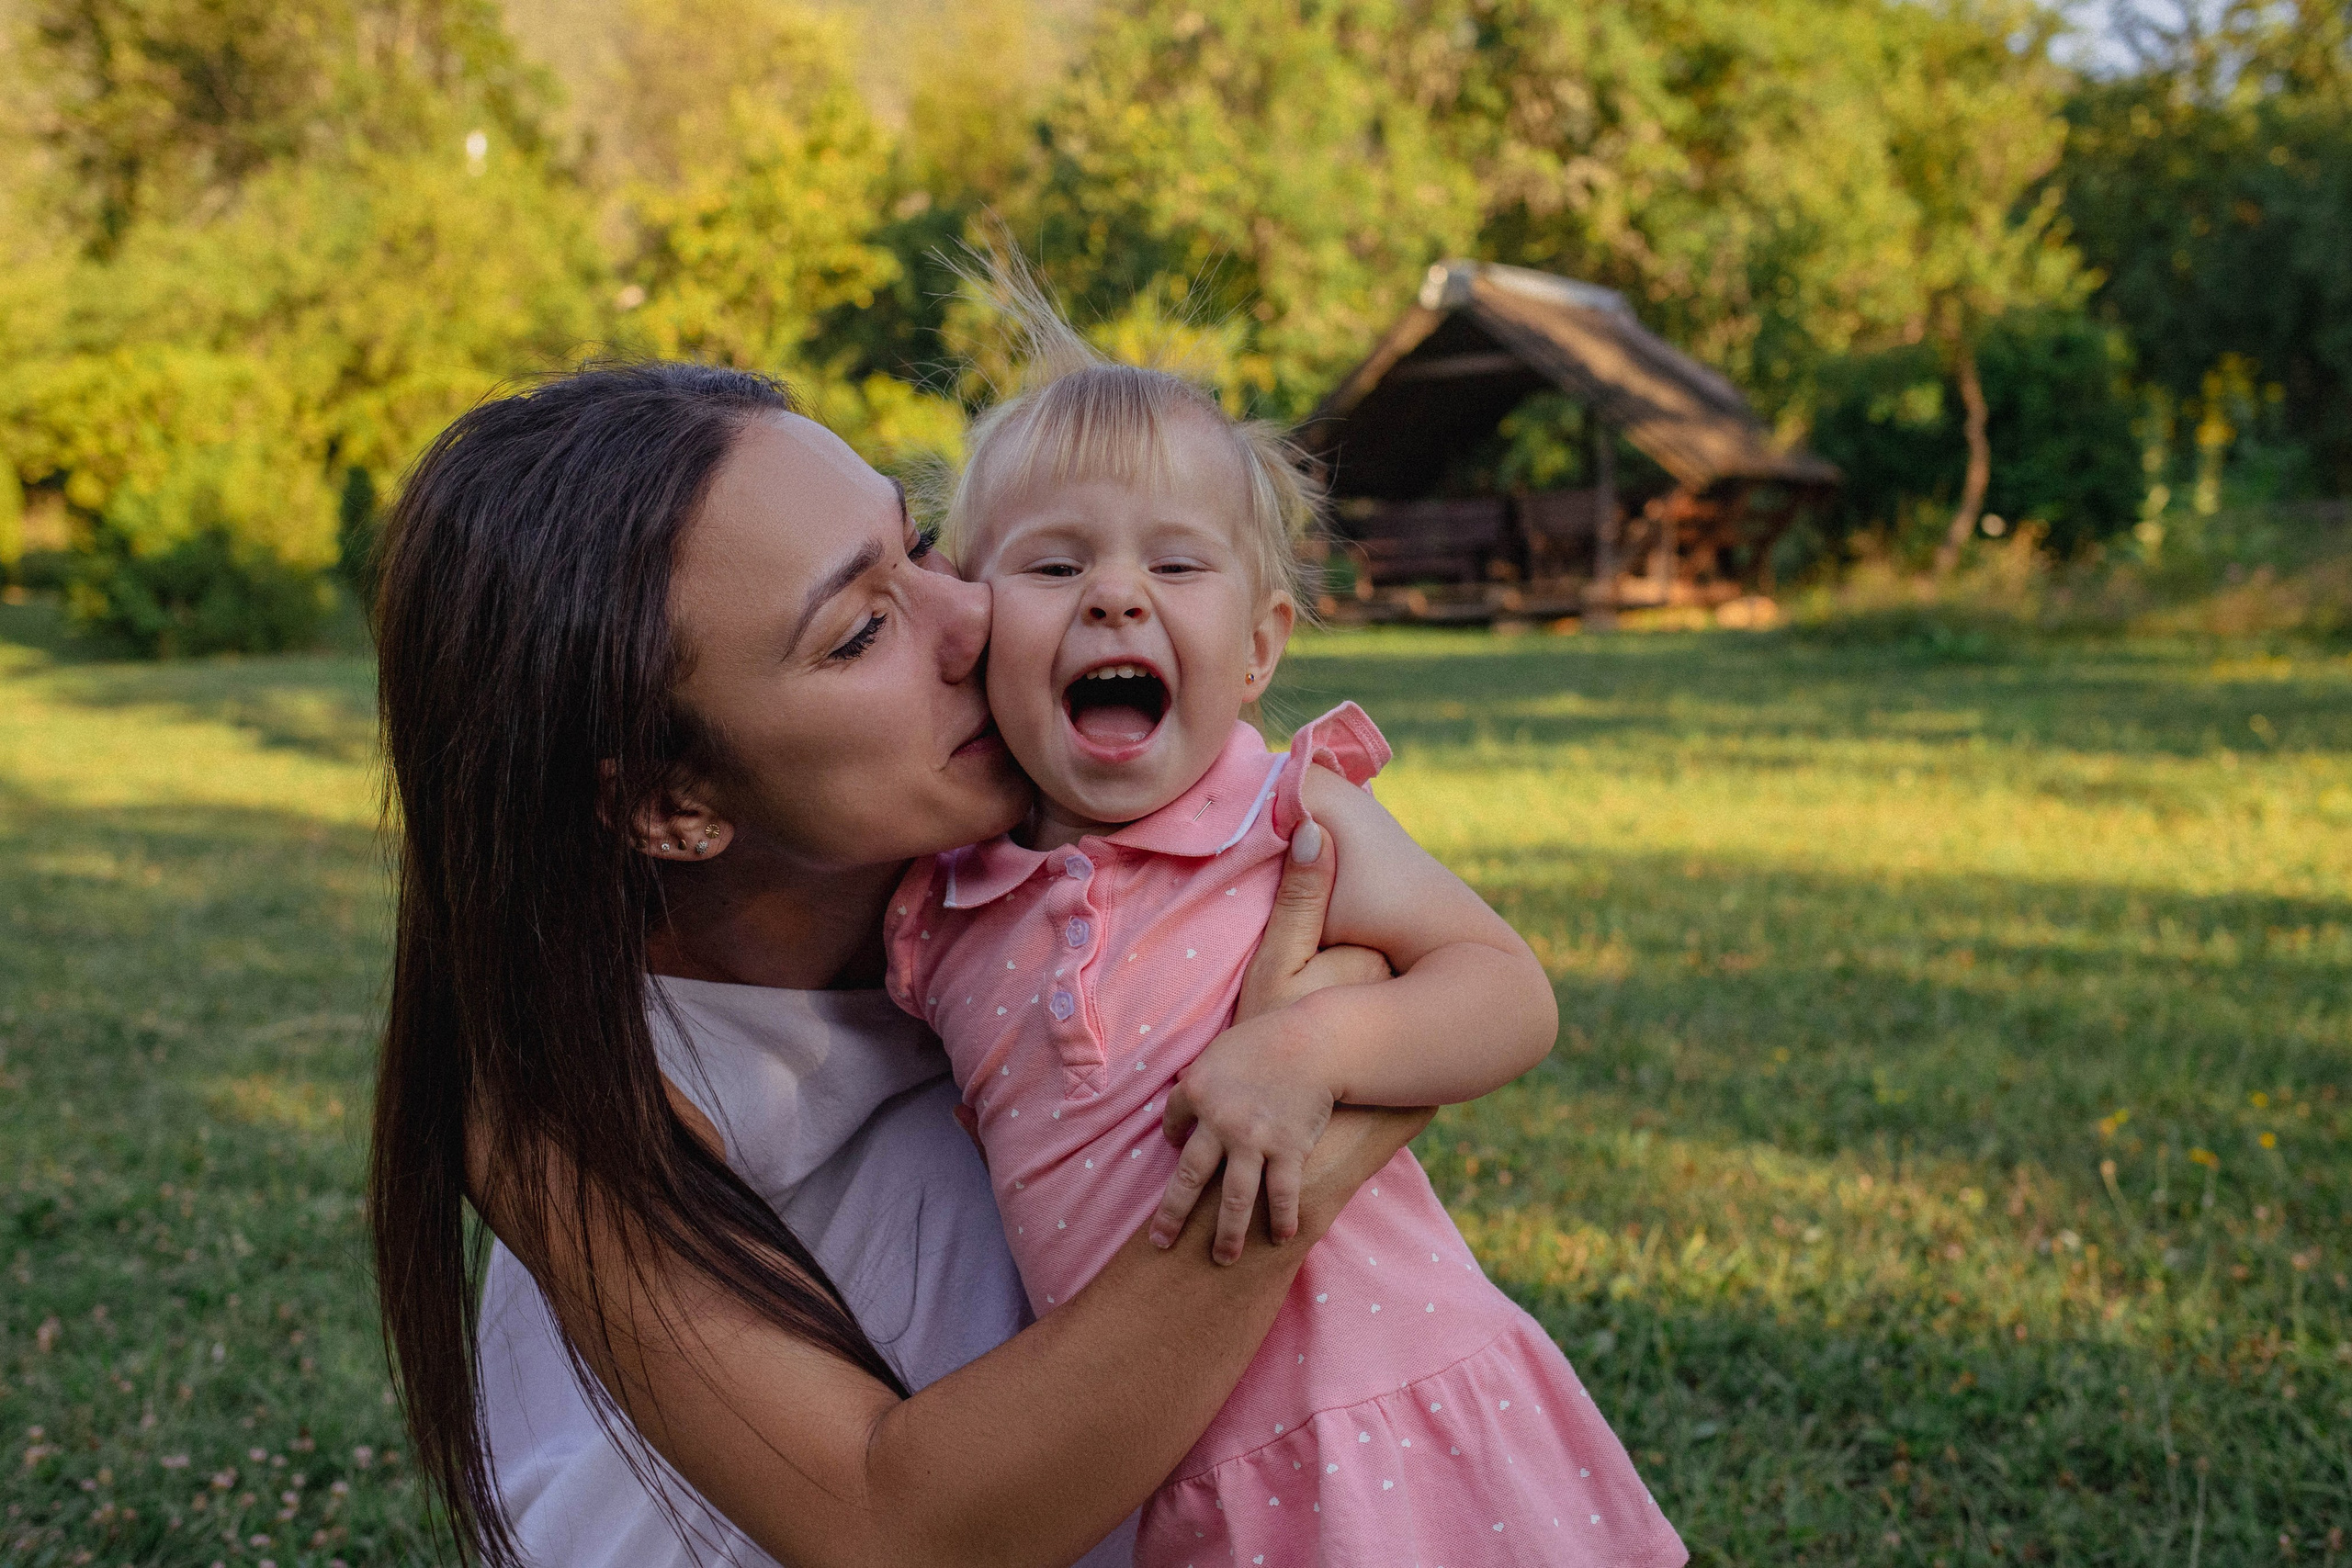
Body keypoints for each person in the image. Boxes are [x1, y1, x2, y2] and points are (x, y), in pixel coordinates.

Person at [367, 360, 1439, 1568]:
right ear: (669, 803)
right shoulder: (575, 1112)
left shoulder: (1049, 872)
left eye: (920, 544)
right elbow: (893, 1530)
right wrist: (1282, 1152)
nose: (973, 616)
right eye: (862, 631)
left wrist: (1353, 1022)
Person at [883, 269, 1689, 1567]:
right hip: (1155, 1460)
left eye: (1175, 563)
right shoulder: (942, 906)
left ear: (1259, 647)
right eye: (1054, 564)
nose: (1116, 596)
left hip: (1388, 1411)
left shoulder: (1282, 815)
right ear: (973, 634)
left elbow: (1506, 992)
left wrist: (1307, 1050)